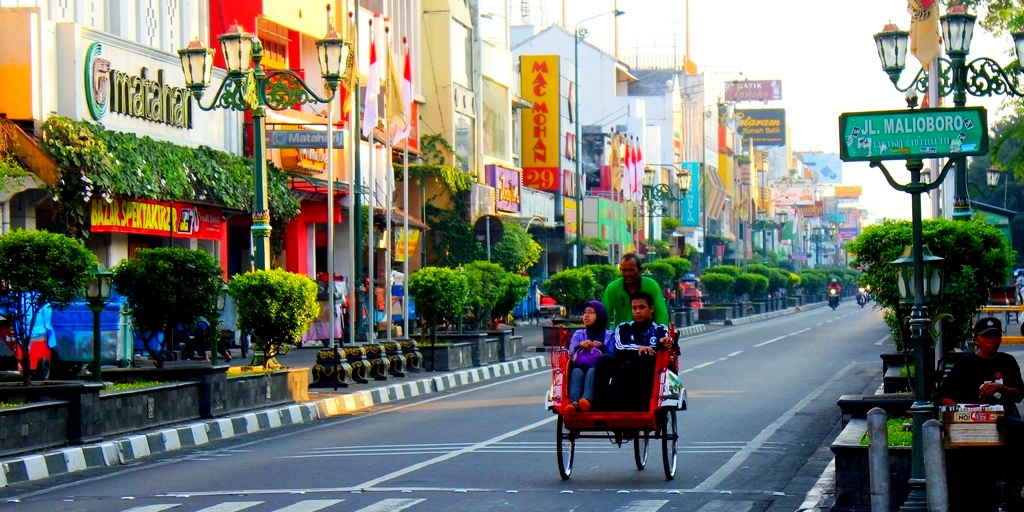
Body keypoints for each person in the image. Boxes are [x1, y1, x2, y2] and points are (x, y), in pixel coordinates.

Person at [937, 317, 1024, 510]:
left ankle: (1012, 488)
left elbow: (1019, 393)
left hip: (1003, 419)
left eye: (995, 336)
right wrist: (965, 415)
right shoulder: (966, 364)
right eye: (986, 337)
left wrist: (999, 388)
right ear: (976, 339)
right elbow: (944, 395)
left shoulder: (1007, 361)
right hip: (974, 424)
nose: (991, 340)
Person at [594, 291, 673, 412]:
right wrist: (641, 348)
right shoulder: (623, 328)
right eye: (634, 308)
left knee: (645, 356)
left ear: (651, 308)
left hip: (649, 372)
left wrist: (662, 344)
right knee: (604, 359)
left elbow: (666, 345)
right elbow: (620, 347)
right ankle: (600, 404)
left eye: (642, 307)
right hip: (624, 366)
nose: (637, 311)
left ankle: (642, 406)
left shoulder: (660, 330)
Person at [564, 300, 613, 413]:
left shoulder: (610, 335)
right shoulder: (578, 334)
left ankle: (586, 400)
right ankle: (574, 402)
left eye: (591, 312)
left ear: (600, 315)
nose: (586, 315)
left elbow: (613, 355)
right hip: (580, 366)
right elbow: (570, 353)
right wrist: (579, 345)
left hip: (600, 371)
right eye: (585, 312)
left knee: (592, 371)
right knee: (576, 371)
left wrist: (602, 346)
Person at [602, 253, 669, 328]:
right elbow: (603, 316)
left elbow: (661, 314)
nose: (627, 274)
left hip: (647, 336)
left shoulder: (652, 286)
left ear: (640, 270)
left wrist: (663, 334)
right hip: (621, 336)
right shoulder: (612, 288)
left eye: (631, 270)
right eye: (624, 270)